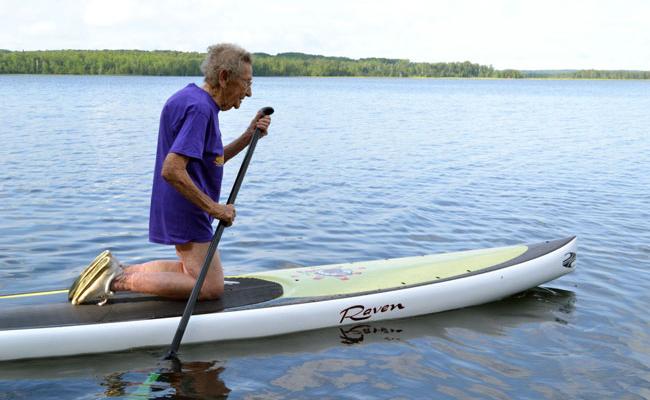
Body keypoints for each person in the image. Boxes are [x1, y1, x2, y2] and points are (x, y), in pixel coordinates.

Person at [69, 43, 271, 305]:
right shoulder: (200, 110)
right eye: (246, 83)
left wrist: (247, 136)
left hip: (180, 203)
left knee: (192, 272)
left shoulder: (190, 99)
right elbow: (172, 169)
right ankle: (117, 281)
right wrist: (214, 208)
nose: (249, 93)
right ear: (223, 77)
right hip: (188, 206)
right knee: (210, 286)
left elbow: (211, 159)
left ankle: (117, 270)